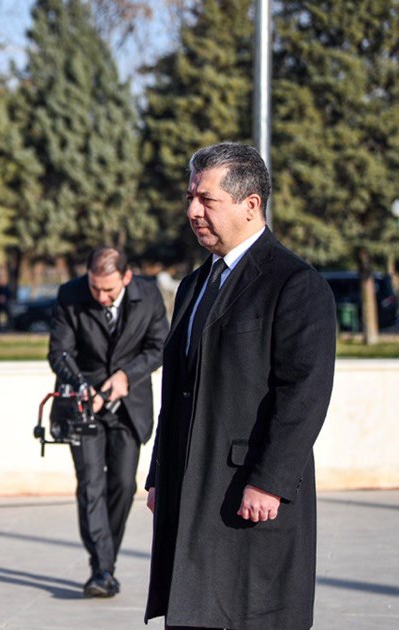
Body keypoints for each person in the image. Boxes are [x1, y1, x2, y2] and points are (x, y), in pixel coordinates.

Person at [144, 143, 336, 629]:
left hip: (248, 491)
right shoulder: (193, 285)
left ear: (251, 204)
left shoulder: (294, 283)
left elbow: (304, 393)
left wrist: (269, 481)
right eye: (190, 198)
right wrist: (160, 471)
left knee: (252, 614)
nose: (193, 211)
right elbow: (177, 389)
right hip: (189, 484)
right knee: (191, 612)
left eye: (207, 200)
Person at [47, 247, 168, 598]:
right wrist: (84, 387)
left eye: (109, 290)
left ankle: (105, 562)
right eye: (95, 288)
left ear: (126, 277)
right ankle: (101, 569)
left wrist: (126, 376)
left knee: (124, 485)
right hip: (82, 406)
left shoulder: (148, 295)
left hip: (129, 406)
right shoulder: (70, 294)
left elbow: (160, 346)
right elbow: (59, 352)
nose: (101, 297)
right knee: (90, 485)